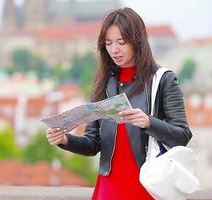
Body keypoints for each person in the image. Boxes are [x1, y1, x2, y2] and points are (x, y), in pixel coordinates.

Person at [45, 7, 192, 200]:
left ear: (137, 41)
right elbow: (93, 144)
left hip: (148, 184)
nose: (114, 49)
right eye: (108, 43)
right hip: (110, 185)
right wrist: (65, 140)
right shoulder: (104, 82)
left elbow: (182, 136)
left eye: (121, 42)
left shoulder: (163, 79)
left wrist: (149, 122)